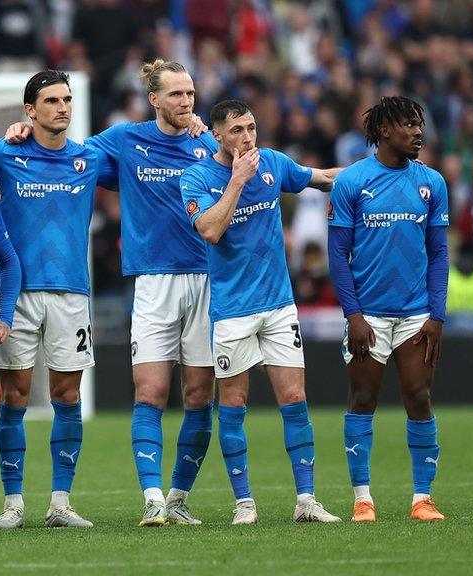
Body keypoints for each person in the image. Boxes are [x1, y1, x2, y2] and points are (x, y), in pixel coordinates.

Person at [180, 99, 341, 525]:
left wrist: (375, 171)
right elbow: (210, 230)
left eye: (251, 127)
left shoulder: (272, 163)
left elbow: (323, 178)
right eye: (237, 131)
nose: (247, 137)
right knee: (232, 405)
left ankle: (306, 501)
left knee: (295, 399)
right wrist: (236, 181)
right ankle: (244, 503)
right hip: (231, 311)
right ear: (217, 135)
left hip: (279, 306)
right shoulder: (197, 176)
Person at [84, 60, 218, 526]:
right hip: (153, 282)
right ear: (154, 99)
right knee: (150, 392)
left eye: (190, 93)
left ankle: (179, 497)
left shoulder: (210, 143)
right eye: (176, 94)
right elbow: (68, 156)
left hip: (206, 278)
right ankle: (153, 498)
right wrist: (25, 131)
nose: (186, 101)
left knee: (200, 395)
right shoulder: (124, 140)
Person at [0, 70, 101, 529]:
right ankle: (13, 504)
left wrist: (198, 129)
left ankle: (61, 503)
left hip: (71, 294)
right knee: (16, 395)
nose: (63, 107)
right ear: (30, 110)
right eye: (51, 101)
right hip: (15, 295)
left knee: (68, 395)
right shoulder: (2, 153)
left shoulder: (91, 156)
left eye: (66, 99)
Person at [328, 96, 449, 522]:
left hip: (417, 312)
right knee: (362, 398)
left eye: (420, 124)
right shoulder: (352, 182)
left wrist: (437, 315)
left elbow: (439, 254)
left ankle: (422, 498)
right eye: (408, 124)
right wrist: (353, 315)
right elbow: (337, 254)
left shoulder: (432, 183)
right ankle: (363, 498)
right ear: (383, 131)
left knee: (419, 396)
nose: (419, 131)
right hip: (369, 315)